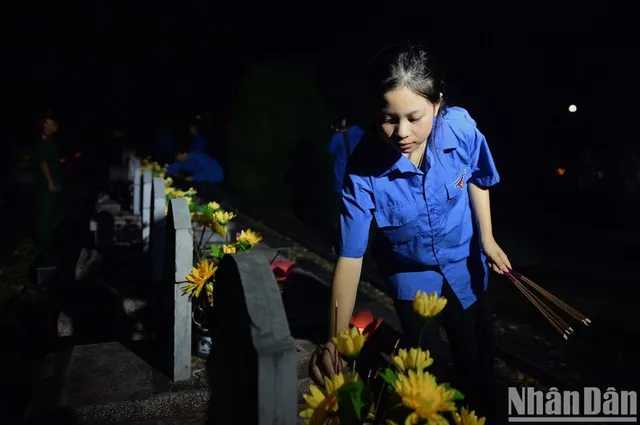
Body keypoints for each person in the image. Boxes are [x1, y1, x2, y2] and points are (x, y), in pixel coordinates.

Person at [308, 44, 511, 418]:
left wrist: (488, 238)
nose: (401, 132)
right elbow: (351, 259)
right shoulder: (363, 171)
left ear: (437, 104)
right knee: (424, 368)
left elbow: (479, 178)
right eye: (388, 118)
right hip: (410, 275)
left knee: (476, 358)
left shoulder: (461, 129)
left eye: (414, 117)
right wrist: (335, 341)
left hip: (465, 261)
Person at [34, 112, 62, 251]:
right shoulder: (44, 142)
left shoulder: (50, 141)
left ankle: (47, 244)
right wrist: (50, 181)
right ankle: (42, 246)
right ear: (46, 123)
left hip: (51, 183)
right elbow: (43, 162)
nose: (55, 125)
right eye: (53, 122)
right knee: (45, 214)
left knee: (51, 213)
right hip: (45, 185)